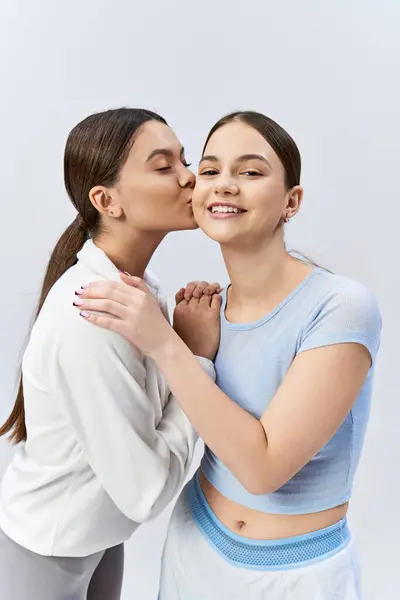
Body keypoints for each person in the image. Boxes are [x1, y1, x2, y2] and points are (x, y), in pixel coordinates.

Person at [75, 110, 382, 600]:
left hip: (296, 577)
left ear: (292, 201)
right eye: (211, 169)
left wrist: (167, 346)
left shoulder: (342, 308)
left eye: (251, 172)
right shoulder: (209, 310)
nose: (224, 185)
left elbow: (261, 469)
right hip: (194, 542)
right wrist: (193, 348)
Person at [0, 107, 221, 600]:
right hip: (48, 549)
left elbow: (147, 430)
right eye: (164, 167)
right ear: (107, 200)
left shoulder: (140, 292)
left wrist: (177, 350)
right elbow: (145, 491)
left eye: (183, 159)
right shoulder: (94, 314)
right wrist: (196, 361)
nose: (191, 177)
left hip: (98, 535)